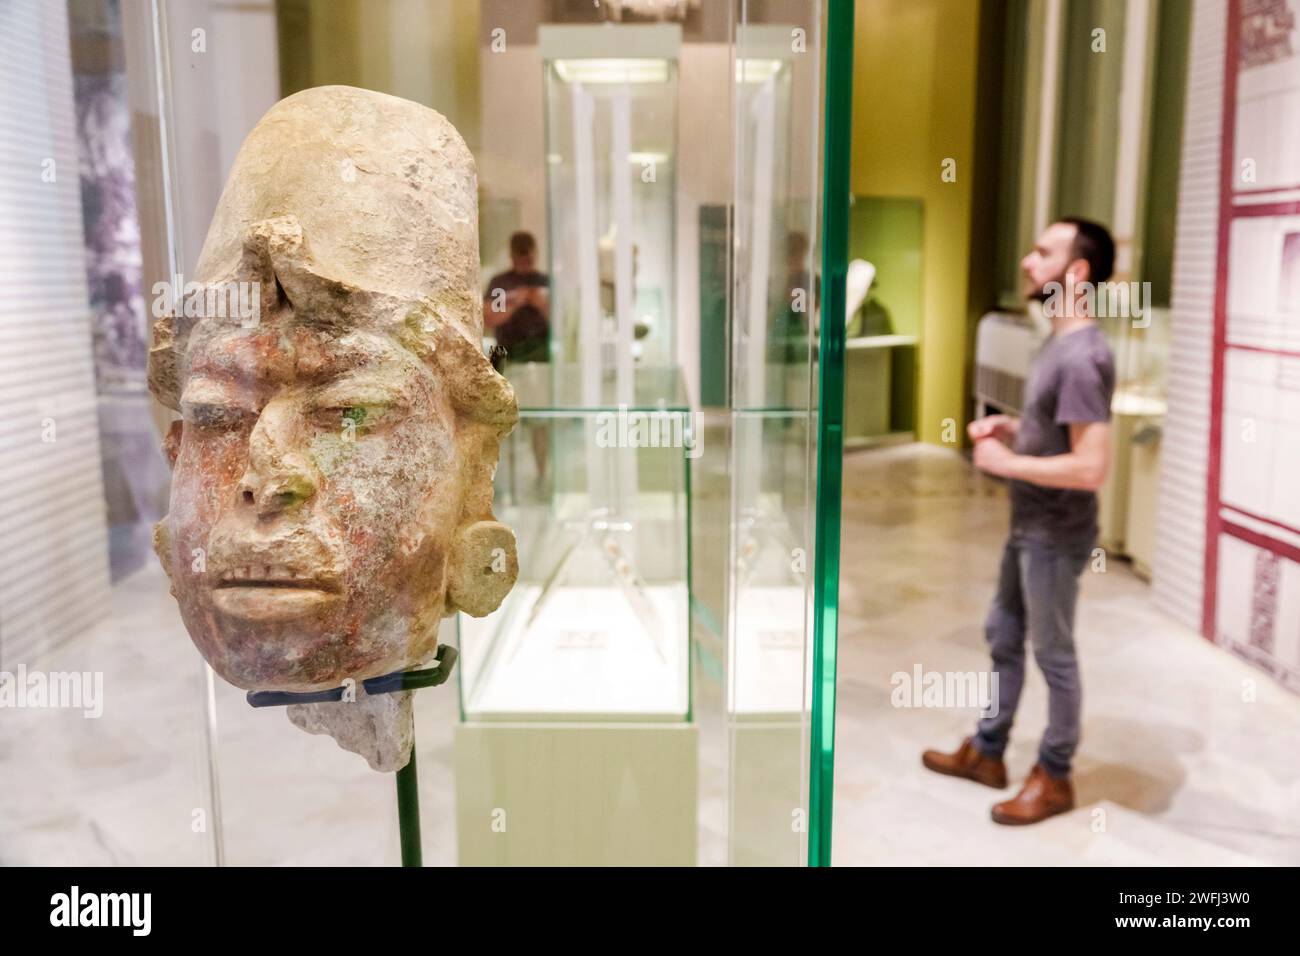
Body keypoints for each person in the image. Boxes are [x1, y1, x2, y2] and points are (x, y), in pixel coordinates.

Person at [922, 217, 1117, 825]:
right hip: (1030, 525)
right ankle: (988, 750)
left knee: (1053, 652)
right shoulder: (1055, 343)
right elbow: (1059, 437)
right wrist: (1014, 433)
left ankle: (1054, 775)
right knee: (1003, 634)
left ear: (1076, 272)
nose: (1028, 263)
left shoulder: (1083, 356)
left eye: (1043, 253)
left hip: (1056, 533)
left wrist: (1007, 461)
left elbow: (1091, 467)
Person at [483, 230, 550, 367]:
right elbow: (489, 319)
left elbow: (561, 323)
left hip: (540, 352)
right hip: (507, 351)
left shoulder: (545, 282)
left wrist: (541, 304)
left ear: (535, 254)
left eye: (528, 260)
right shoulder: (501, 284)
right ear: (512, 257)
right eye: (521, 261)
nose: (525, 265)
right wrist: (514, 303)